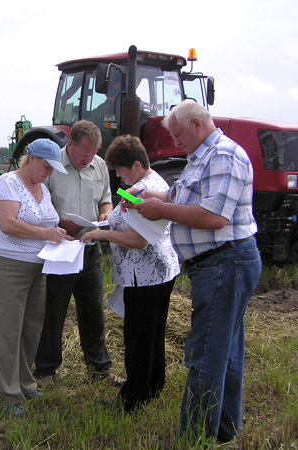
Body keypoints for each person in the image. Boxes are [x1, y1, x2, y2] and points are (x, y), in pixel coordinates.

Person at [126, 100, 262, 442]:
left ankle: (193, 438)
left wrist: (161, 211)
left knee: (205, 355)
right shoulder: (201, 158)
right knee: (226, 351)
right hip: (218, 265)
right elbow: (179, 195)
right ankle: (223, 430)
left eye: (178, 134)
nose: (176, 141)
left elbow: (215, 216)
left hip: (225, 264)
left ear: (198, 124)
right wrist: (147, 198)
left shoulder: (224, 156)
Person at [80, 135, 180, 412]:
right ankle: (151, 385)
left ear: (136, 165)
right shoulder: (152, 185)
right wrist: (108, 220)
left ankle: (133, 397)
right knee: (152, 334)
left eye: (120, 171)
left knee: (138, 337)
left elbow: (139, 239)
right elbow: (125, 213)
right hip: (157, 272)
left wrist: (102, 233)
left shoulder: (146, 189)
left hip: (145, 274)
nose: (118, 177)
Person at [0, 138, 71, 418]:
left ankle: (24, 382)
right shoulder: (7, 183)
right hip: (7, 266)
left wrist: (61, 236)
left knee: (31, 327)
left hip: (39, 266)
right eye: (46, 166)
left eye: (52, 169)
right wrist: (46, 234)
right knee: (8, 329)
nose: (49, 173)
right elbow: (8, 224)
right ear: (31, 158)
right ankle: (6, 394)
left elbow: (50, 222)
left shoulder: (43, 189)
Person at [33, 120, 121, 385]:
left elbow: (105, 197)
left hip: (89, 250)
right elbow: (38, 205)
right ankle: (46, 369)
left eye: (92, 155)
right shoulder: (52, 166)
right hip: (60, 250)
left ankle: (99, 370)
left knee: (94, 311)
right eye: (83, 155)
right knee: (53, 312)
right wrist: (60, 222)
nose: (87, 160)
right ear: (69, 144)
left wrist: (106, 213)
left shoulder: (100, 166)